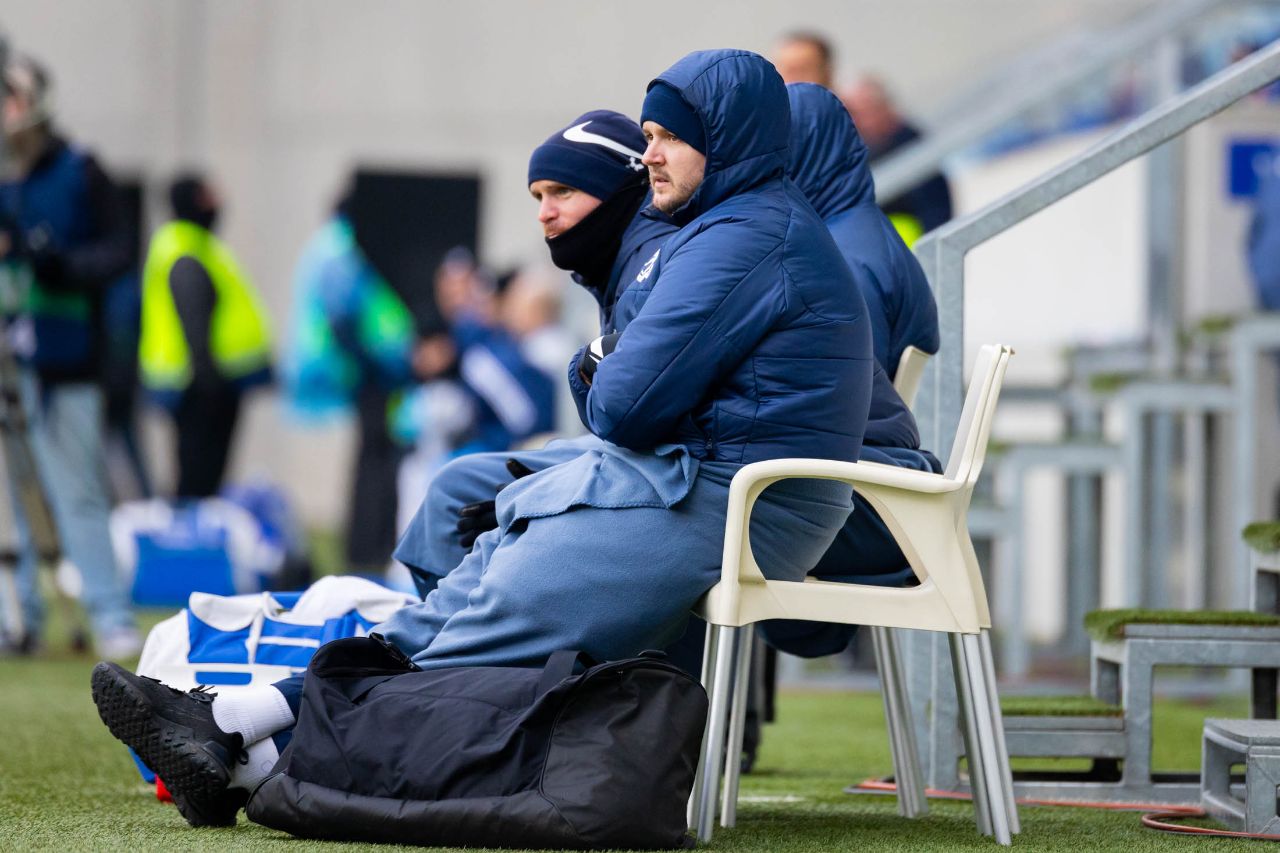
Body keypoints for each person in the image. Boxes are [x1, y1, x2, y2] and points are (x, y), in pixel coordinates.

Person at [90, 48, 877, 827]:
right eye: (648, 135)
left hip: (743, 496)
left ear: (730, 138)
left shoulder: (746, 237)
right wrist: (606, 368)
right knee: (481, 557)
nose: (652, 155)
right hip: (700, 473)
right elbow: (628, 396)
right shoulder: (729, 227)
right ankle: (235, 721)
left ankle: (249, 750)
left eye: (672, 137)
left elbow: (625, 404)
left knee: (494, 604)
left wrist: (597, 363)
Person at [394, 109, 676, 597]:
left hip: (675, 496)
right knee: (453, 486)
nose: (544, 212)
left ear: (618, 189)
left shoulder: (654, 273)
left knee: (455, 496)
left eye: (562, 191)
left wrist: (539, 495)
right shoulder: (617, 277)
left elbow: (649, 440)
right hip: (632, 476)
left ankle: (450, 639)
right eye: (538, 196)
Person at [0, 55, 140, 656]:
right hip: (10, 359)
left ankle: (110, 614)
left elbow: (119, 252)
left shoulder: (80, 169)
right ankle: (18, 618)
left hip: (66, 360)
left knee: (77, 492)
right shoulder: (6, 177)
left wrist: (56, 263)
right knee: (16, 499)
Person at [285, 194, 418, 572]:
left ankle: (364, 548)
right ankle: (365, 549)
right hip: (364, 373)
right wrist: (372, 362)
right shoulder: (338, 249)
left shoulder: (330, 246)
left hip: (362, 370)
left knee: (370, 459)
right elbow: (342, 315)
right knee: (373, 463)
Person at [139, 174, 272, 498]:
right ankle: (189, 530)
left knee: (203, 476)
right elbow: (194, 319)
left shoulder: (199, 246)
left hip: (205, 382)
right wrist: (208, 381)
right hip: (199, 385)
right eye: (209, 196)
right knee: (197, 477)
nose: (218, 203)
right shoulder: (185, 250)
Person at [843, 74, 953, 241]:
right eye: (852, 113)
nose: (857, 121)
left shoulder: (907, 142)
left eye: (865, 110)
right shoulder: (856, 153)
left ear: (886, 107)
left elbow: (937, 212)